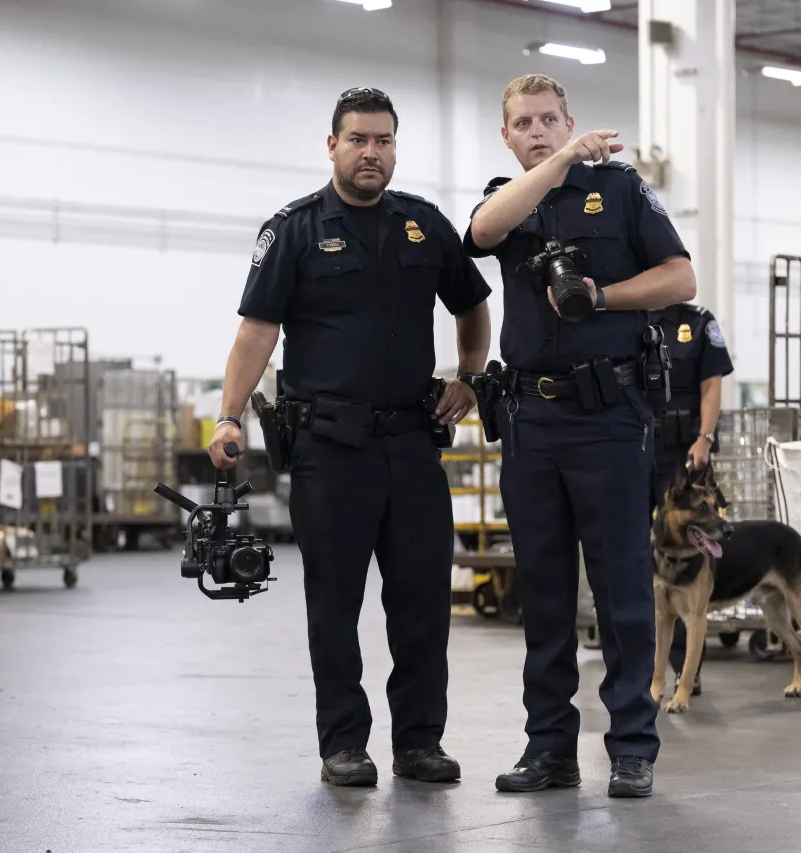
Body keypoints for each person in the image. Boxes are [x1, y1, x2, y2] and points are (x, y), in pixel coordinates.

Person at [208, 87, 492, 788]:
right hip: (329, 451)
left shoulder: (424, 226)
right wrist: (227, 414)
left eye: (385, 140)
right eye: (359, 139)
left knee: (423, 600)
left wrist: (471, 375)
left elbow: (473, 303)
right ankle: (344, 742)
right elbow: (256, 331)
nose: (373, 152)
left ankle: (420, 741)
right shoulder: (295, 230)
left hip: (413, 444)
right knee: (334, 604)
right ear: (331, 145)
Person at [463, 73, 696, 799]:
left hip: (608, 416)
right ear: (507, 136)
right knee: (544, 590)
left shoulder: (620, 190)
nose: (537, 131)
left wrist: (605, 295)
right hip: (530, 421)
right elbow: (480, 234)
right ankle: (549, 749)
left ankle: (631, 746)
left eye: (550, 121)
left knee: (623, 588)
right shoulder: (511, 195)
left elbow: (681, 277)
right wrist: (559, 165)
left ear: (570, 121)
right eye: (524, 123)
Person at [647, 301, 734, 697]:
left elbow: (711, 384)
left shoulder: (697, 322)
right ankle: (641, 667)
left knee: (688, 559)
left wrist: (705, 437)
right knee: (635, 556)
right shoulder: (626, 314)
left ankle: (686, 669)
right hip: (633, 448)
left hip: (684, 453)